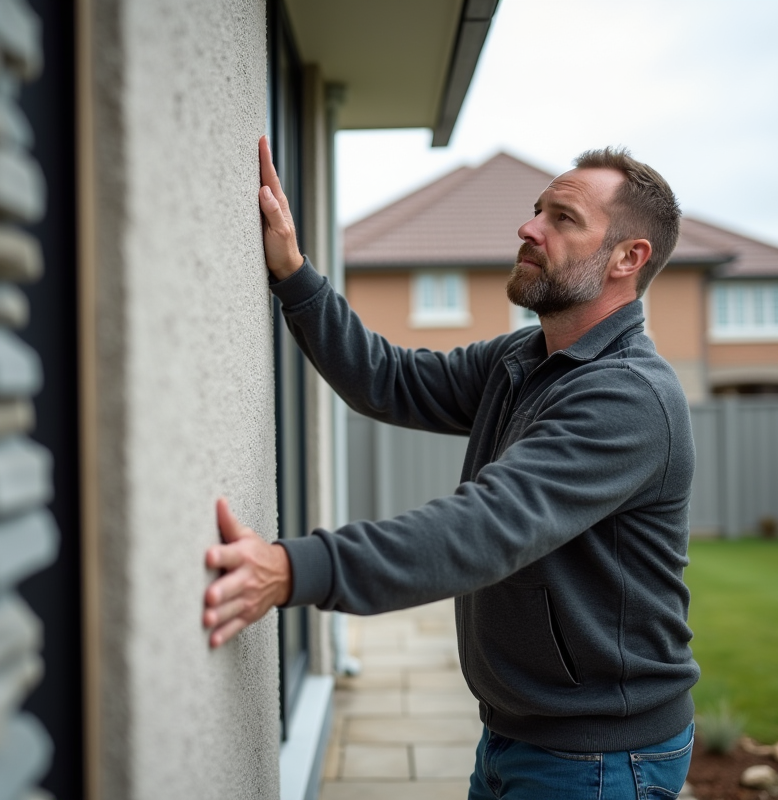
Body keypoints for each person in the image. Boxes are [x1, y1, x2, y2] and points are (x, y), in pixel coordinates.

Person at [203, 135, 699, 799]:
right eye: (538, 210)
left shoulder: (631, 399)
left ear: (627, 259)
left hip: (601, 761)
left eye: (563, 218)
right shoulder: (524, 359)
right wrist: (294, 275)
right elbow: (390, 378)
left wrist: (295, 569)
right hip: (518, 734)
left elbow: (483, 528)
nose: (528, 228)